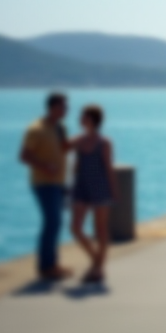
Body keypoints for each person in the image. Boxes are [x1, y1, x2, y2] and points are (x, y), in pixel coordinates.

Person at [19, 92, 72, 281]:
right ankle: (45, 266)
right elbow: (24, 156)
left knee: (56, 223)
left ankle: (52, 264)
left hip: (58, 182)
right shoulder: (36, 128)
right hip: (43, 183)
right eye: (63, 106)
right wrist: (45, 166)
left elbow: (63, 150)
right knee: (52, 222)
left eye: (67, 106)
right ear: (52, 107)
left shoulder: (60, 127)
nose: (67, 110)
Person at [69, 105, 116, 284]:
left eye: (83, 116)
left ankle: (97, 268)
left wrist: (114, 191)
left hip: (100, 188)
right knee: (75, 227)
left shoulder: (104, 143)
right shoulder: (78, 141)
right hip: (81, 187)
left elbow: (109, 168)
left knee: (101, 229)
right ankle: (97, 260)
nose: (80, 118)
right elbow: (64, 150)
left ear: (91, 119)